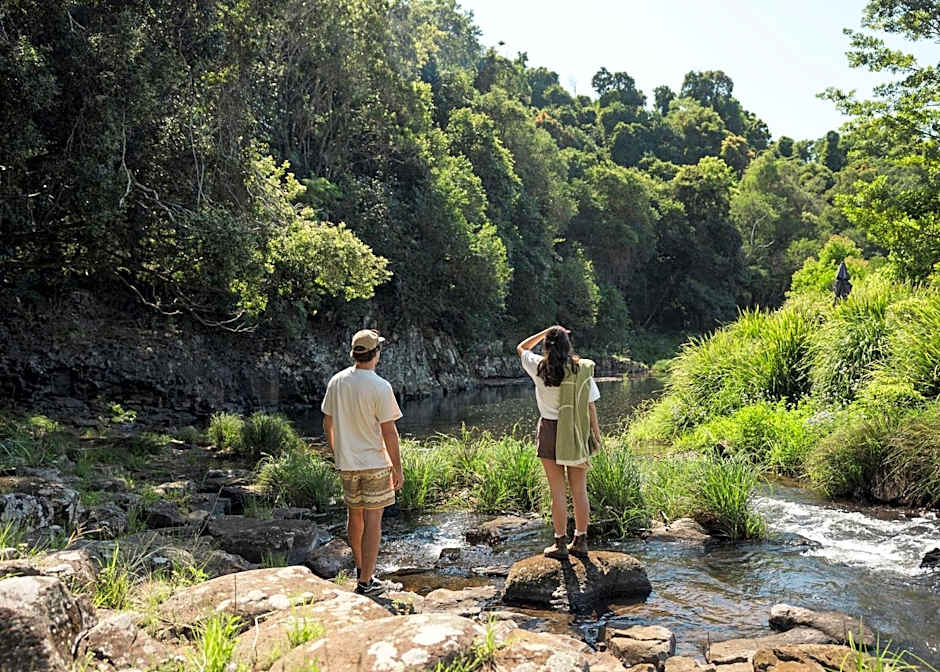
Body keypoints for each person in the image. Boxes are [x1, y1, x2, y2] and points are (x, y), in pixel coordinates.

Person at [321, 329, 404, 596]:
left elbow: (327, 423)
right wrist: (398, 468)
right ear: (376, 354)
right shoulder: (380, 386)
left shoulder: (337, 381)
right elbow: (389, 432)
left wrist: (338, 453)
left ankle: (361, 570)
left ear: (354, 353)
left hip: (347, 464)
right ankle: (366, 582)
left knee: (353, 516)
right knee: (373, 522)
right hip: (375, 464)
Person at [517, 326, 602, 559]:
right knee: (579, 490)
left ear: (545, 345)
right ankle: (581, 541)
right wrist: (596, 434)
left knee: (557, 492)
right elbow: (590, 405)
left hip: (549, 431)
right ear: (568, 345)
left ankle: (560, 544)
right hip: (575, 430)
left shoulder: (538, 366)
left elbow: (522, 347)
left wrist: (544, 332)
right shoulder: (581, 369)